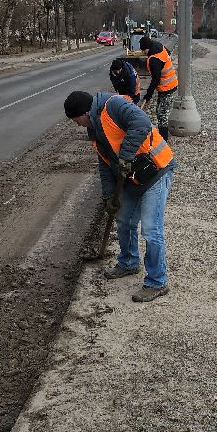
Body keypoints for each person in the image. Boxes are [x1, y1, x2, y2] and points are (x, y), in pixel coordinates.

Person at [64, 90, 176, 302]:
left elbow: (142, 123)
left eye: (76, 121)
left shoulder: (114, 106)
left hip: (157, 170)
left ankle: (157, 282)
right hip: (134, 177)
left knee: (151, 229)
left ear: (85, 114)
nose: (77, 125)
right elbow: (105, 164)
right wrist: (108, 195)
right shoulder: (94, 129)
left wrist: (125, 155)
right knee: (124, 221)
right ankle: (129, 262)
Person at [138, 35, 178, 141]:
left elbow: (155, 79)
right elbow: (168, 54)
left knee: (162, 114)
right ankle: (161, 136)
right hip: (167, 85)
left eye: (143, 50)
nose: (143, 52)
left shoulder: (154, 59)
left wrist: (148, 95)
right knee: (159, 111)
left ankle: (164, 141)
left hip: (168, 88)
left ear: (147, 47)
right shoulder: (158, 46)